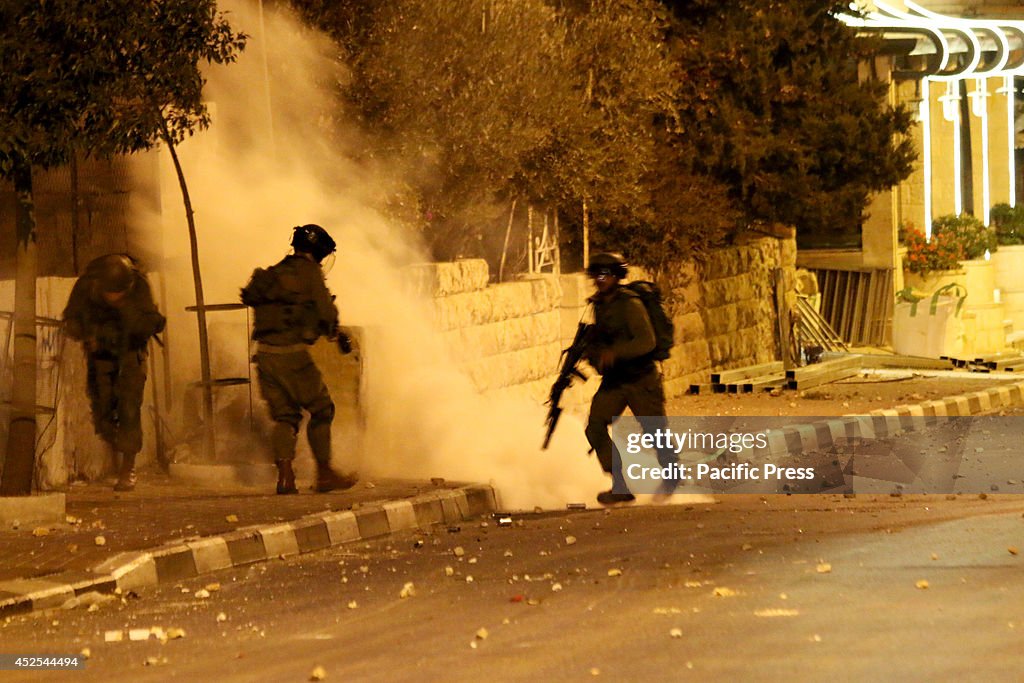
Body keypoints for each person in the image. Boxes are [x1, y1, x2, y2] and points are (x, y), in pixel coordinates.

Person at [240, 224, 358, 495]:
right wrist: (334, 333)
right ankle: (325, 474)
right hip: (293, 356)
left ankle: (285, 477)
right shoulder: (310, 274)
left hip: (265, 356)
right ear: (318, 252)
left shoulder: (274, 273)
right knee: (322, 409)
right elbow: (326, 313)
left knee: (285, 417)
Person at [62, 254, 166, 492]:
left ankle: (127, 467)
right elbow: (71, 319)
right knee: (102, 412)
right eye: (114, 294)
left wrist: (137, 324)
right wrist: (89, 335)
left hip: (130, 352)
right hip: (101, 356)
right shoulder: (88, 285)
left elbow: (151, 320)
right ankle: (117, 447)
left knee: (129, 407)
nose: (119, 298)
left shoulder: (137, 284)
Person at [583, 252, 675, 505]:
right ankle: (619, 484)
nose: (601, 279)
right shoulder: (600, 305)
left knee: (654, 432)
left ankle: (672, 474)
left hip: (640, 379)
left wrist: (615, 354)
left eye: (607, 274)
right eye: (597, 275)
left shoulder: (630, 304)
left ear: (617, 277)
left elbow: (647, 341)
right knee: (595, 426)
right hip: (616, 381)